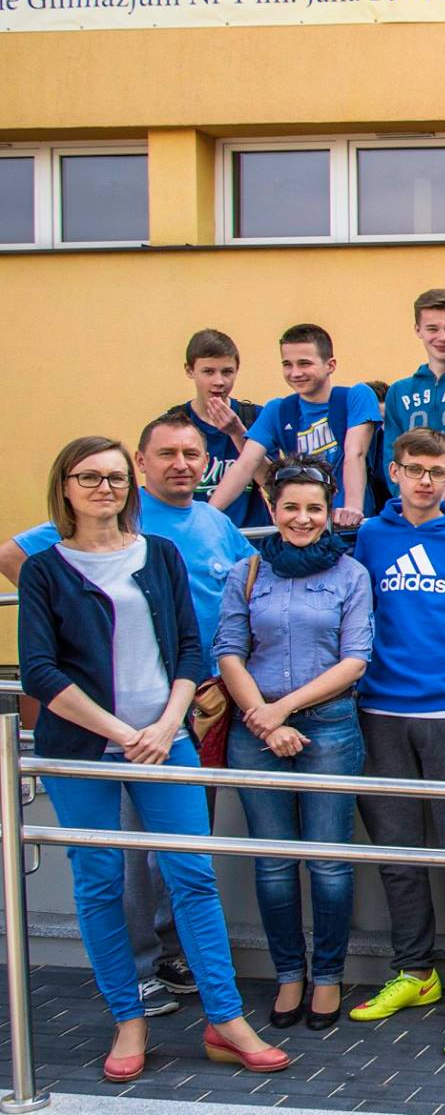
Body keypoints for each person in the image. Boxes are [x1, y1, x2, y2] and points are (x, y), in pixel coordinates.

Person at [16, 436, 290, 1081]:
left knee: (192, 877)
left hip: (169, 739)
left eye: (114, 477)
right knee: (99, 883)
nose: (104, 488)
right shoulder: (45, 569)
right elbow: (40, 671)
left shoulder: (160, 553)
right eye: (89, 477)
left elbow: (190, 647)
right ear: (65, 487)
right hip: (84, 749)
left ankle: (226, 1020)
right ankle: (128, 1019)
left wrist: (166, 725)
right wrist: (122, 732)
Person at [347, 428, 445, 1047]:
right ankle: (415, 971)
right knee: (398, 853)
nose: (426, 481)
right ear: (394, 472)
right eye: (414, 469)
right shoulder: (370, 537)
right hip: (380, 709)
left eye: (437, 471)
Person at [215, 458, 371, 1031]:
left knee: (330, 862)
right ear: (272, 509)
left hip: (328, 726)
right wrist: (264, 719)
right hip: (255, 730)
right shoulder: (247, 572)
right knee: (275, 862)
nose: (302, 518)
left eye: (314, 508)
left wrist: (282, 710)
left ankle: (327, 975)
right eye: (291, 508)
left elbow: (356, 659)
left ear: (329, 513)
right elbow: (228, 650)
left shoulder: (351, 574)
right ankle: (288, 974)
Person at [210, 324, 380, 528]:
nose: (295, 373)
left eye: (304, 363)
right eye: (287, 364)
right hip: (303, 526)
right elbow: (246, 464)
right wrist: (206, 515)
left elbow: (355, 454)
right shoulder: (278, 409)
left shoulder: (356, 396)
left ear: (330, 365)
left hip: (350, 527)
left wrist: (352, 509)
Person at [383, 289, 445, 502]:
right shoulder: (399, 391)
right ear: (418, 330)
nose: (443, 337)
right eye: (432, 329)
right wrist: (402, 494)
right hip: (410, 504)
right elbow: (391, 451)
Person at [175, 329, 264, 528]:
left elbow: (273, 485)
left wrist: (238, 432)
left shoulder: (255, 417)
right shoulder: (173, 423)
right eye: (208, 372)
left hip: (251, 536)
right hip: (196, 533)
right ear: (190, 371)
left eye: (227, 372)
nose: (219, 382)